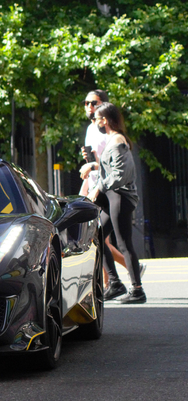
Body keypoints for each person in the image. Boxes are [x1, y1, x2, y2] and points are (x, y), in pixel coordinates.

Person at [79, 91, 146, 285]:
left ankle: (135, 288)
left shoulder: (117, 141)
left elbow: (118, 173)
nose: (91, 111)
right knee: (97, 236)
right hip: (107, 193)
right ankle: (115, 283)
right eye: (87, 103)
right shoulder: (107, 137)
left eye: (95, 106)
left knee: (123, 242)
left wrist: (97, 184)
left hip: (118, 195)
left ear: (105, 119)